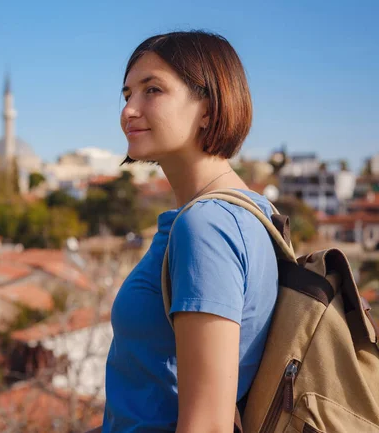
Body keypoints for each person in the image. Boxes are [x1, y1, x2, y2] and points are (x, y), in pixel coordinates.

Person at [88, 31, 279, 432]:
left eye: (152, 90)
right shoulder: (253, 211)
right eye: (127, 95)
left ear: (208, 109)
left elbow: (207, 425)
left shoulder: (206, 226)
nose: (129, 111)